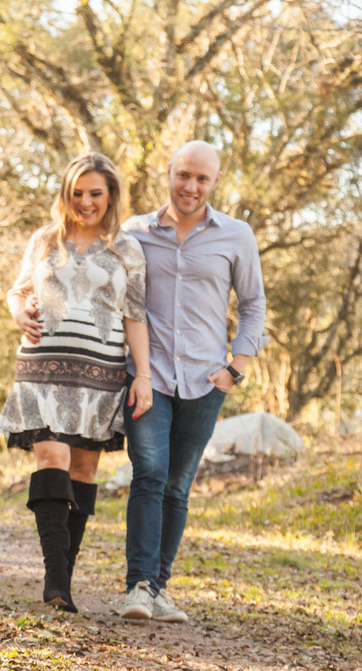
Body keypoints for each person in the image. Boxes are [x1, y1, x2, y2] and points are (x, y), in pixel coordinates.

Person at [117, 140, 267, 623]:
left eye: (202, 178)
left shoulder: (236, 235)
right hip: (148, 376)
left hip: (206, 381)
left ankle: (158, 587)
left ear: (215, 182)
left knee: (178, 486)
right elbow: (113, 295)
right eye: (184, 175)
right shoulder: (135, 232)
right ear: (169, 174)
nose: (191, 186)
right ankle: (137, 587)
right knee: (150, 473)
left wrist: (234, 369)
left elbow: (253, 305)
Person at [0, 153, 151, 613]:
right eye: (77, 193)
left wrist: (141, 375)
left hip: (100, 374)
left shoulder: (127, 249)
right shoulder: (46, 240)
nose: (85, 202)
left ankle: (65, 572)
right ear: (66, 194)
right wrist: (18, 311)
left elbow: (135, 315)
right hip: (42, 366)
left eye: (95, 193)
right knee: (51, 455)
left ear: (111, 196)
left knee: (83, 471)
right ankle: (56, 581)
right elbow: (18, 290)